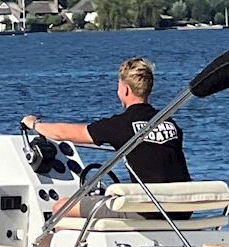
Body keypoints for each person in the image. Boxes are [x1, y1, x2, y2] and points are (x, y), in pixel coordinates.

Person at [23, 56, 191, 194]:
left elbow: (64, 133)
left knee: (59, 208)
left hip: (152, 210)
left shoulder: (120, 125)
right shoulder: (170, 123)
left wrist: (34, 124)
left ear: (125, 90)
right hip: (181, 209)